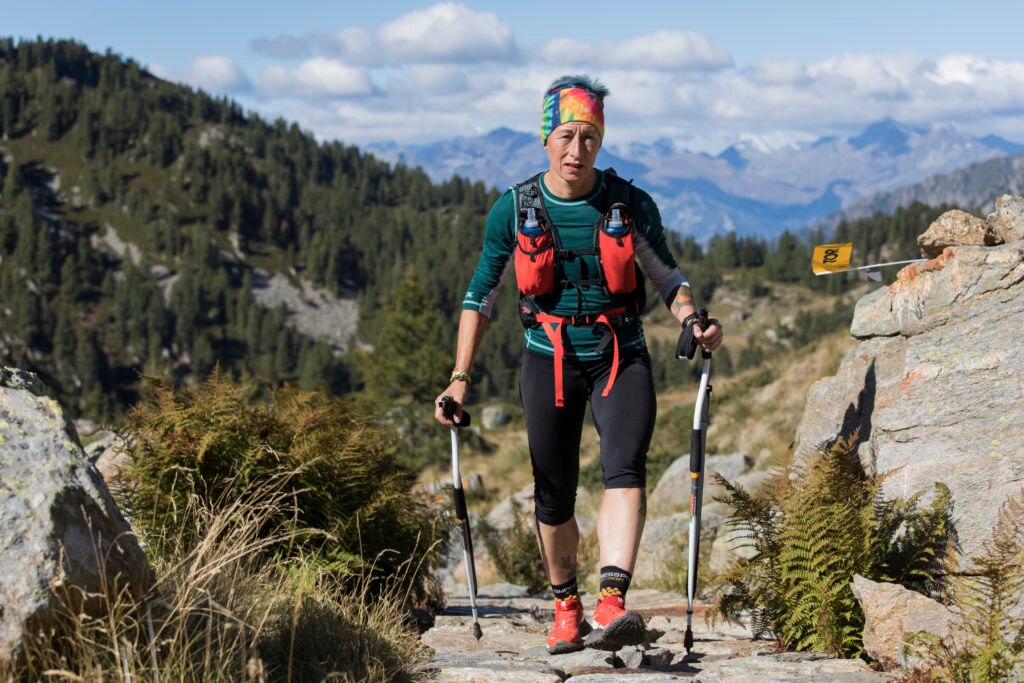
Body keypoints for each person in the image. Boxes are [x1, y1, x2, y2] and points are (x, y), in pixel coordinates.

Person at [434, 75, 723, 654]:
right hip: (549, 358)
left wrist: (693, 320)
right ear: (545, 138)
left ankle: (612, 603)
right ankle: (566, 608)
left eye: (589, 137)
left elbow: (669, 277)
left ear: (601, 141)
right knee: (553, 490)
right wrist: (459, 378)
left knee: (625, 467)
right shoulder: (513, 210)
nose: (576, 149)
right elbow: (480, 298)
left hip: (621, 354)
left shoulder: (630, 205)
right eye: (565, 135)